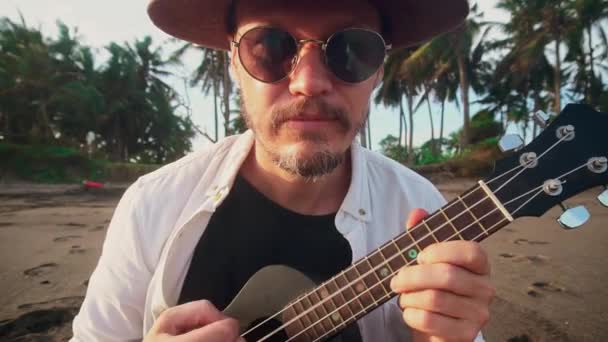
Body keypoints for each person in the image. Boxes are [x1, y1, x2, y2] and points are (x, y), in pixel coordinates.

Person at [71, 0, 494, 341]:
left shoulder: (419, 208)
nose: (309, 82)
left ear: (379, 70)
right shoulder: (153, 204)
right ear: (234, 64)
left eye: (351, 51)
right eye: (271, 47)